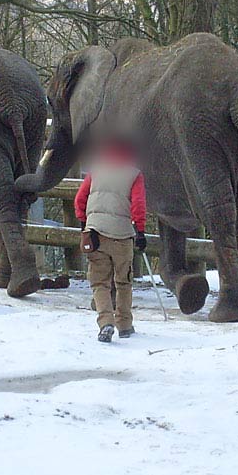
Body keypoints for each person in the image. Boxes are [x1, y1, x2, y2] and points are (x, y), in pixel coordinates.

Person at [75, 141, 147, 343]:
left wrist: (85, 222)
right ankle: (124, 324)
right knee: (123, 281)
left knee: (99, 282)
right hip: (122, 235)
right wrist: (140, 231)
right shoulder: (134, 174)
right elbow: (138, 206)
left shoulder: (96, 170)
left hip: (95, 232)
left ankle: (105, 322)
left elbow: (80, 199)